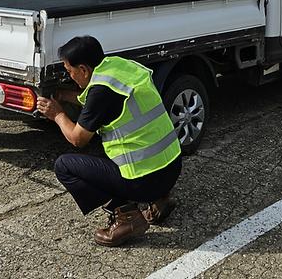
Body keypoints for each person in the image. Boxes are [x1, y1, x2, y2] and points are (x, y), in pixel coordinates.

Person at [36, 36, 182, 247]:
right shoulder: (118, 67)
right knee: (110, 147)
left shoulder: (100, 92)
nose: (70, 75)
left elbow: (77, 139)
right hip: (172, 168)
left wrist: (57, 114)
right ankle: (161, 199)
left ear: (84, 70)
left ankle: (127, 218)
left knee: (65, 166)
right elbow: (97, 100)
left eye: (70, 71)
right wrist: (64, 95)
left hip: (146, 183)